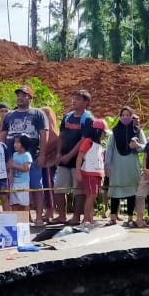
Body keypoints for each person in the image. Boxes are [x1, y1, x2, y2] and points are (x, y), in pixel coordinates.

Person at [1, 86, 52, 222]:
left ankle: (39, 216)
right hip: (13, 158)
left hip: (32, 158)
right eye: (18, 95)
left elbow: (44, 135)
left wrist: (42, 154)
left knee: (35, 187)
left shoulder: (38, 114)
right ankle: (24, 217)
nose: (20, 98)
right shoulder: (9, 115)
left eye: (24, 95)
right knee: (17, 188)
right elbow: (3, 136)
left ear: (30, 98)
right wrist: (3, 155)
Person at [57, 91, 95, 225]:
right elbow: (61, 136)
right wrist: (58, 153)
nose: (74, 101)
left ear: (86, 102)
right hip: (63, 159)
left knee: (78, 190)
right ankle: (61, 216)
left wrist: (69, 156)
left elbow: (82, 141)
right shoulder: (67, 117)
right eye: (73, 98)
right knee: (59, 188)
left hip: (78, 160)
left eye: (78, 99)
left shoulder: (88, 119)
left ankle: (76, 217)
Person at [106, 107, 145, 224]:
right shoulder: (115, 131)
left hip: (131, 166)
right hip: (117, 166)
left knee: (131, 191)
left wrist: (137, 145)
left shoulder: (138, 131)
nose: (125, 117)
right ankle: (113, 217)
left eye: (128, 115)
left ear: (132, 116)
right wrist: (107, 165)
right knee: (115, 191)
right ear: (120, 116)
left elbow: (145, 147)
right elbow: (109, 149)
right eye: (123, 115)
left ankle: (129, 217)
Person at [77, 119, 107, 226]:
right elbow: (80, 157)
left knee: (93, 196)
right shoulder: (88, 142)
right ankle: (85, 219)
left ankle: (90, 218)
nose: (105, 135)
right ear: (98, 131)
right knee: (91, 195)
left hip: (97, 173)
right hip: (89, 173)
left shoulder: (99, 145)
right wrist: (78, 172)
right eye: (104, 132)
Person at [38, 105, 61, 224]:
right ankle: (43, 210)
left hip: (48, 164)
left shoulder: (54, 134)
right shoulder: (41, 131)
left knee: (49, 185)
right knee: (40, 187)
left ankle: (51, 210)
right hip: (39, 163)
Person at [8, 136, 33, 216]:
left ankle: (25, 221)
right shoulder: (14, 154)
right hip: (14, 182)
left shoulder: (27, 155)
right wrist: (11, 174)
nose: (15, 144)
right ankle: (16, 220)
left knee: (24, 203)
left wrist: (14, 165)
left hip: (23, 183)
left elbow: (26, 168)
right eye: (15, 142)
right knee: (14, 202)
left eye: (18, 142)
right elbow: (11, 166)